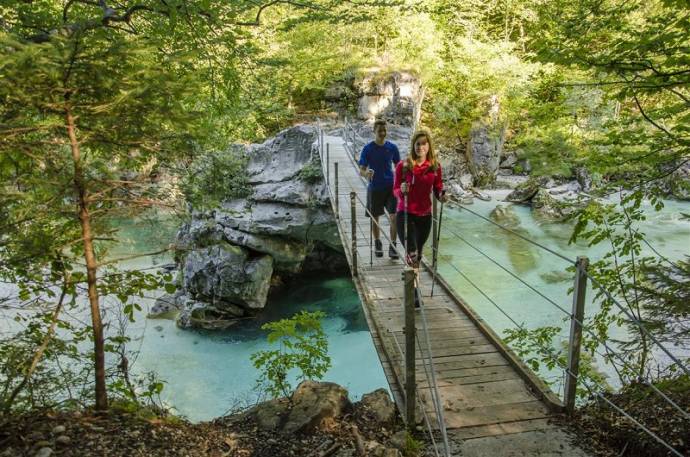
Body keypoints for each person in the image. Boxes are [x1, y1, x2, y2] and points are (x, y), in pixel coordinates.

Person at [393, 129, 447, 306]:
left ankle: (413, 283)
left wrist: (442, 196)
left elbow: (438, 188)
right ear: (413, 145)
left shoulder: (435, 166)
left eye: (424, 143)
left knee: (418, 253)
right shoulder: (404, 165)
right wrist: (401, 191)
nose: (421, 147)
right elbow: (395, 189)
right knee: (412, 253)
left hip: (425, 216)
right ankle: (414, 291)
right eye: (418, 143)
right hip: (405, 214)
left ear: (429, 145)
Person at [358, 118, 401, 259]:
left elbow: (399, 166)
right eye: (379, 131)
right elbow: (361, 170)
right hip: (375, 188)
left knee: (394, 217)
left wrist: (403, 180)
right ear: (374, 131)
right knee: (374, 218)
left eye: (384, 130)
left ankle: (393, 246)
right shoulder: (368, 149)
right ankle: (377, 242)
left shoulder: (392, 148)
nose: (382, 133)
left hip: (391, 188)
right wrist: (366, 174)